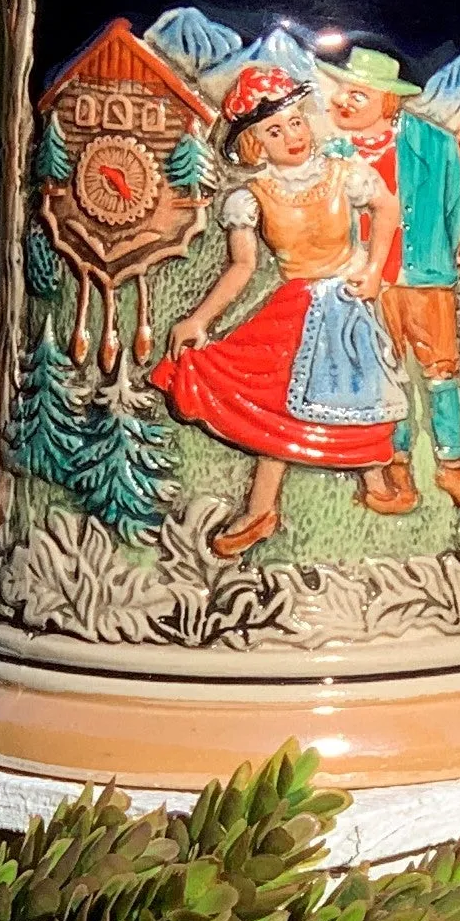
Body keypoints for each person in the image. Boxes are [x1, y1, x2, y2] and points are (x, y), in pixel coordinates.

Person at [150, 62, 403, 557]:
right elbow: (242, 267)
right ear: (254, 145)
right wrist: (200, 319)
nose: (291, 135)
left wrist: (373, 269)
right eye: (274, 130)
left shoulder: (341, 174)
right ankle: (262, 509)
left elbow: (388, 209)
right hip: (296, 306)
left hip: (346, 300)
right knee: (274, 401)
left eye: (295, 121)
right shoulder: (253, 197)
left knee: (363, 394)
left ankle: (375, 482)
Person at [320, 41, 460, 518]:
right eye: (343, 92)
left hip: (424, 278)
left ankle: (452, 465)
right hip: (366, 284)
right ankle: (394, 463)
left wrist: (434, 261)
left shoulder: (434, 144)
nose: (344, 102)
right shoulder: (337, 154)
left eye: (359, 95)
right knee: (384, 379)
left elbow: (455, 212)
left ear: (387, 100)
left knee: (440, 374)